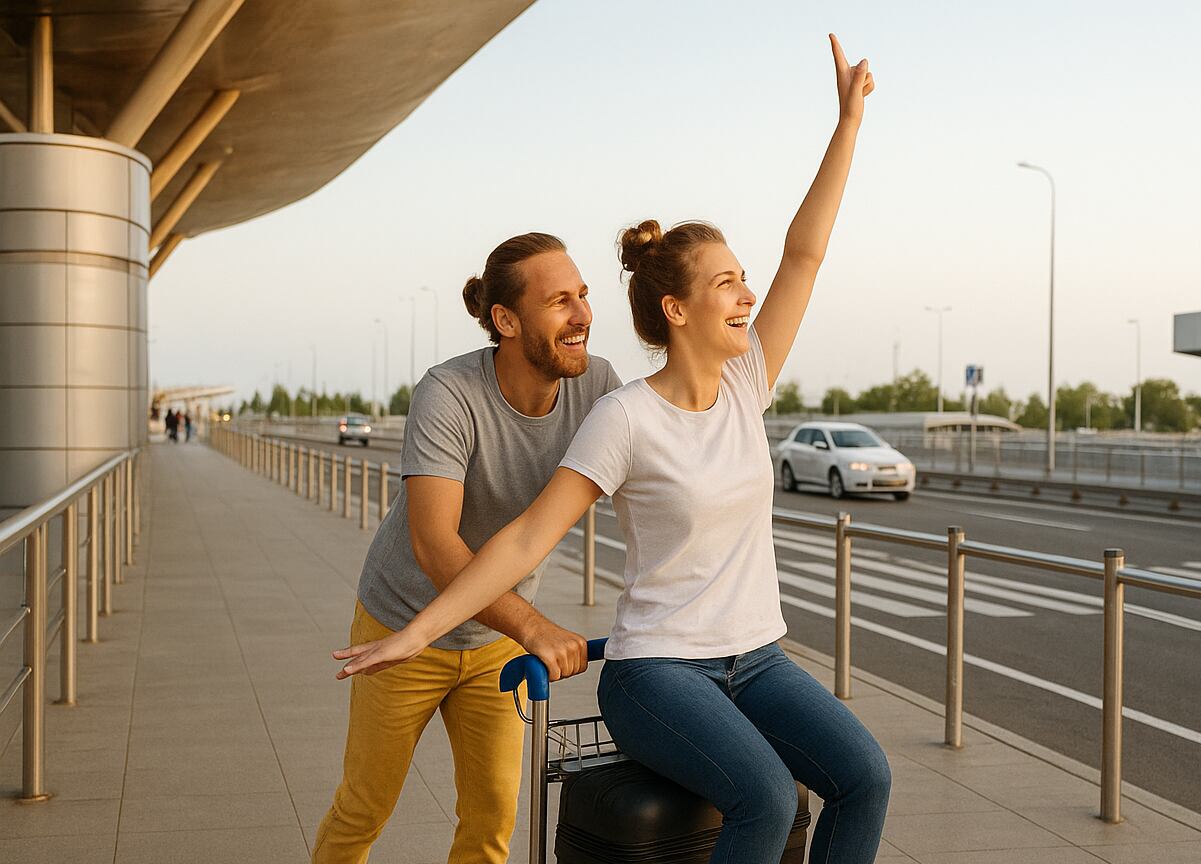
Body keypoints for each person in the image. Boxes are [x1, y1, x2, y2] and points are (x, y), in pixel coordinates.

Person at [336, 36, 887, 864]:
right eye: (727, 284)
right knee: (767, 799)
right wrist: (418, 632)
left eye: (746, 280)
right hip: (660, 672)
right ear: (676, 310)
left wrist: (846, 125)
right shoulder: (623, 414)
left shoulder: (746, 383)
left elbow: (803, 256)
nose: (748, 295)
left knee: (865, 776)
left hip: (756, 659)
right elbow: (524, 537)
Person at [312, 233, 622, 864]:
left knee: (491, 818)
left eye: (583, 295)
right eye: (559, 301)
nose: (583, 314)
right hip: (402, 622)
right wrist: (533, 626)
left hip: (493, 643)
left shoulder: (598, 386)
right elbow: (434, 544)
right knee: (365, 805)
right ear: (506, 320)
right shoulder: (449, 392)